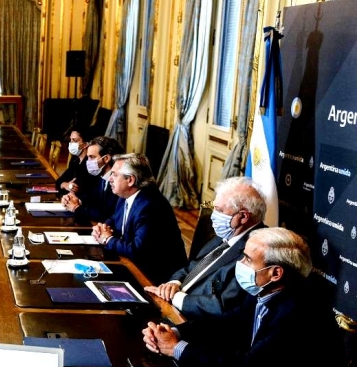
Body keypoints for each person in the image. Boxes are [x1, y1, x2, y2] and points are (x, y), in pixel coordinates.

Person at [142, 228, 354, 367]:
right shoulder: (268, 291)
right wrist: (178, 333)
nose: (239, 264)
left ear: (275, 273)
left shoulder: (298, 311)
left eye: (247, 259)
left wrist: (178, 349)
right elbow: (229, 322)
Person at [145, 177, 266, 318]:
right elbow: (193, 266)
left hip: (194, 323)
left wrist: (176, 297)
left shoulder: (256, 252)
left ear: (243, 217)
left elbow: (222, 306)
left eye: (219, 210)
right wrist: (173, 283)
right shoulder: (228, 233)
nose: (213, 216)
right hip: (172, 305)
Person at [92, 153, 186, 284]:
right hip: (133, 264)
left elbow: (137, 251)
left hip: (155, 277)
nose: (110, 179)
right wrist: (103, 227)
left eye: (115, 174)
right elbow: (115, 218)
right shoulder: (126, 194)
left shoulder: (150, 206)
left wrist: (107, 239)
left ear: (130, 180)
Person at [60, 135, 122, 222]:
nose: (88, 161)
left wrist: (76, 208)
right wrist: (76, 199)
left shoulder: (118, 182)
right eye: (88, 157)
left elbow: (105, 215)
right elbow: (92, 197)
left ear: (106, 158)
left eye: (92, 157)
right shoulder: (101, 177)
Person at [55, 125, 90, 193]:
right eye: (70, 140)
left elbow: (79, 189)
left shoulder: (89, 164)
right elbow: (59, 181)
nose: (71, 143)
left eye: (74, 140)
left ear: (85, 144)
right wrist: (65, 185)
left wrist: (68, 186)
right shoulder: (75, 159)